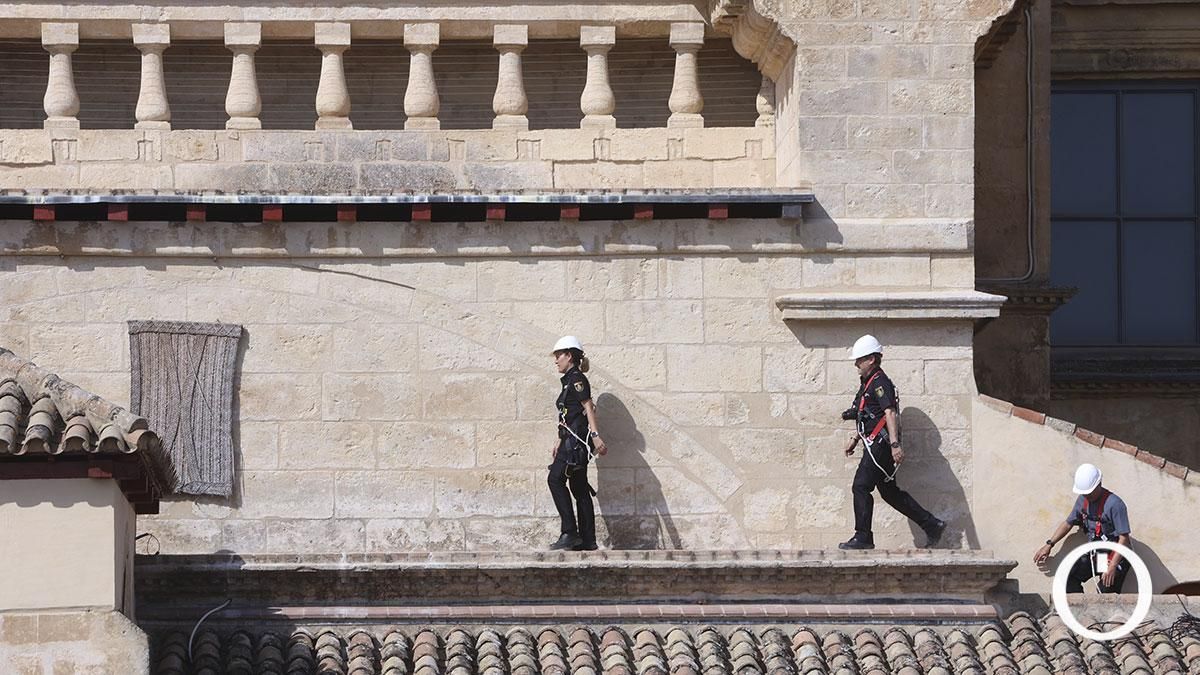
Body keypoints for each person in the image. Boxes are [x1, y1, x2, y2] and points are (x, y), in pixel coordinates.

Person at [838, 334, 945, 550]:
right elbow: (866, 414)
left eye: (860, 359)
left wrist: (895, 445)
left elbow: (890, 412)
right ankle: (931, 524)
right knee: (889, 492)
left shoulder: (880, 382)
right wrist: (855, 439)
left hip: (880, 444)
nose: (856, 364)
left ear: (871, 359)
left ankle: (863, 537)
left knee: (861, 486)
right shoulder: (867, 383)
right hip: (874, 443)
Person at [547, 336, 607, 551]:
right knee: (579, 487)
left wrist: (595, 435)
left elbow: (588, 406)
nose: (556, 361)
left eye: (558, 356)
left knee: (555, 479)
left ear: (569, 356)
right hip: (570, 440)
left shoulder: (576, 379)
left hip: (575, 443)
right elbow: (569, 413)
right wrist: (558, 438)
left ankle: (570, 532)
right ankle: (588, 539)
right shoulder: (569, 381)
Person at [1033, 463, 1132, 593]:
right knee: (1068, 577)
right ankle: (1079, 606)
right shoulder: (1082, 501)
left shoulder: (1115, 504)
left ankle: (1104, 603)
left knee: (1105, 591)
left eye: (1089, 493)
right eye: (1084, 493)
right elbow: (1068, 523)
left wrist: (1113, 565)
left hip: (1116, 556)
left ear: (1099, 484)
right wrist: (1049, 544)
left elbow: (1124, 538)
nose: (1087, 496)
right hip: (1099, 555)